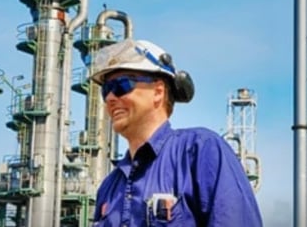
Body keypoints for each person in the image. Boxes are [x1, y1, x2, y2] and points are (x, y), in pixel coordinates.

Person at [89, 38, 262, 227]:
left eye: (121, 85)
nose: (111, 98)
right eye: (105, 90)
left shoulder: (200, 152)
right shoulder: (109, 187)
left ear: (158, 92)